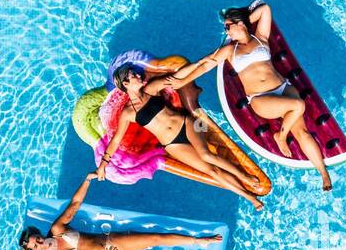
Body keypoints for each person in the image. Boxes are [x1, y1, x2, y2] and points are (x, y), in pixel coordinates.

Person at [151, 0, 333, 192]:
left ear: (240, 24)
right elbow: (206, 64)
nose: (226, 32)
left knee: (302, 132)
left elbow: (265, 8)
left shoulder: (261, 37)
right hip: (261, 99)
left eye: (228, 27)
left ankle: (323, 173)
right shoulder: (230, 50)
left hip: (283, 88)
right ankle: (281, 135)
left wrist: (244, 19)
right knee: (298, 106)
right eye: (225, 28)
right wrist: (182, 81)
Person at [20, 173, 222, 250]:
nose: (39, 242)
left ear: (38, 233)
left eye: (36, 238)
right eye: (35, 246)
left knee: (155, 238)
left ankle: (199, 241)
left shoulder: (57, 230)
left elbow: (75, 204)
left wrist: (87, 180)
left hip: (111, 243)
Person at [106, 67, 265, 211]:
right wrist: (103, 165)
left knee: (206, 155)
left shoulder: (150, 89)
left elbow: (174, 77)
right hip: (173, 144)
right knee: (211, 171)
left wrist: (200, 64)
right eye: (133, 75)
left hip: (187, 123)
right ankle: (249, 197)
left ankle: (244, 176)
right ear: (126, 83)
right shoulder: (128, 113)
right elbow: (115, 140)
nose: (138, 75)